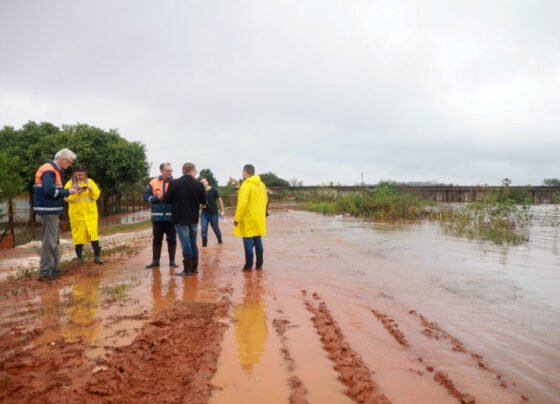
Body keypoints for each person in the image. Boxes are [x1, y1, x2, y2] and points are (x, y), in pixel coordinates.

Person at [33, 148, 81, 280]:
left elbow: (54, 190)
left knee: (55, 241)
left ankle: (53, 270)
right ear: (62, 159)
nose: (70, 165)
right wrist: (68, 192)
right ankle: (45, 273)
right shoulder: (49, 170)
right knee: (49, 242)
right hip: (48, 211)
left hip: (52, 211)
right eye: (70, 162)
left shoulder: (54, 170)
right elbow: (50, 192)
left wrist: (69, 191)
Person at [163, 162, 206, 276]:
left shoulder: (174, 183)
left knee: (185, 244)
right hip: (194, 218)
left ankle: (187, 270)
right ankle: (194, 268)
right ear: (191, 171)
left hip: (180, 218)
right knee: (193, 243)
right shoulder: (199, 185)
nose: (196, 173)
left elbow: (167, 199)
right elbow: (204, 201)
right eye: (195, 171)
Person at [64, 166, 103, 264]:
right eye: (78, 175)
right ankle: (80, 258)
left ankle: (97, 256)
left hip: (90, 214)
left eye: (82, 174)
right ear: (74, 174)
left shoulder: (90, 182)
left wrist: (90, 190)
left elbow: (97, 195)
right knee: (78, 236)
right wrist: (76, 193)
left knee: (93, 234)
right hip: (77, 215)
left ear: (85, 174)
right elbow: (66, 198)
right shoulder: (69, 184)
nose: (81, 176)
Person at [234, 164, 268, 271]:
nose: (242, 174)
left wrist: (237, 219)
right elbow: (266, 200)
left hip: (248, 218)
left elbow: (242, 203)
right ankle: (259, 264)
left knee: (248, 241)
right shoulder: (262, 185)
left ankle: (248, 265)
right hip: (259, 218)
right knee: (258, 241)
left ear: (246, 172)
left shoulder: (246, 185)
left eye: (243, 172)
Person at [144, 162, 178, 268]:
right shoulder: (153, 182)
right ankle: (155, 261)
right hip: (157, 218)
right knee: (157, 240)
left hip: (171, 218)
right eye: (168, 171)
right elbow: (146, 197)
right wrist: (156, 198)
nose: (170, 172)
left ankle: (172, 261)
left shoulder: (176, 182)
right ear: (162, 171)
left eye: (171, 170)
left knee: (172, 240)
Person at [199, 177, 224, 247]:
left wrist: (222, 211)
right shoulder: (200, 191)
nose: (202, 183)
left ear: (207, 182)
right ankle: (204, 245)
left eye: (204, 181)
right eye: (201, 182)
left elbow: (220, 200)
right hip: (204, 214)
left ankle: (219, 240)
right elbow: (198, 201)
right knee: (203, 229)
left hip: (214, 213)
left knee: (215, 228)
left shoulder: (214, 190)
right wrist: (200, 205)